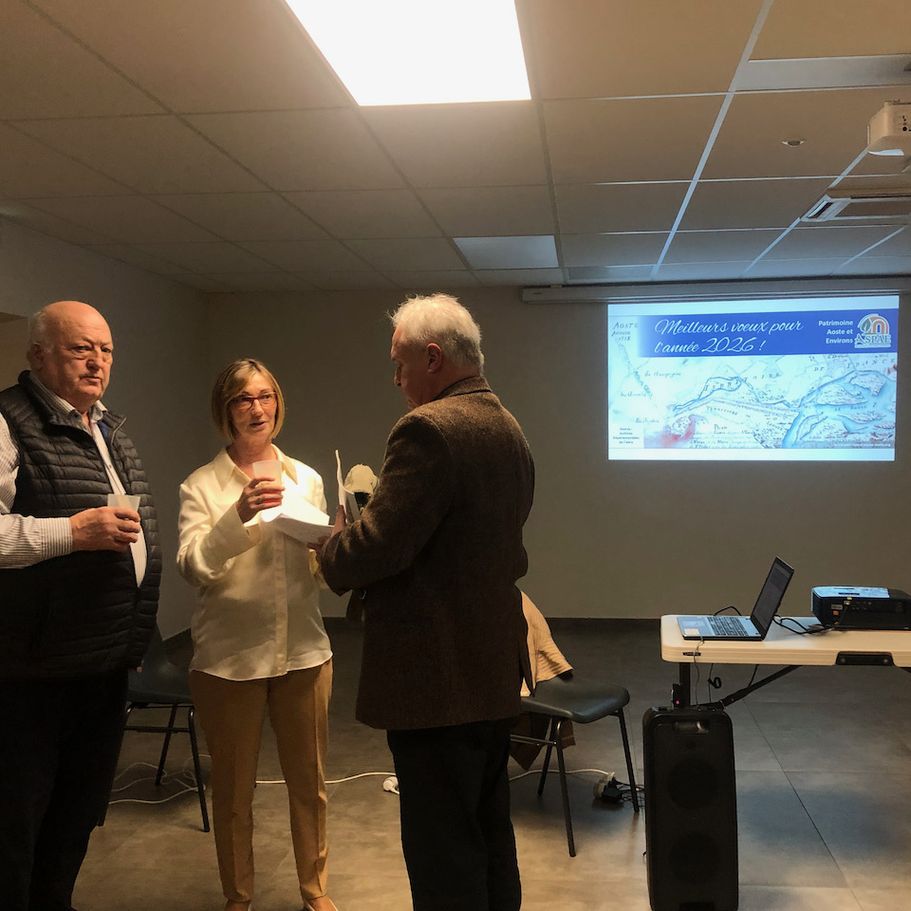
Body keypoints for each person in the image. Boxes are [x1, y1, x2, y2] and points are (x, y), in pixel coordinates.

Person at [316, 293, 534, 911]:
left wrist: (334, 542)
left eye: (400, 364)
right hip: (490, 669)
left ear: (433, 358)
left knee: (442, 853)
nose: (396, 379)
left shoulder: (427, 429)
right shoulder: (508, 426)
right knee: (488, 832)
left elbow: (375, 549)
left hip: (437, 681)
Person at [0, 300, 161, 911]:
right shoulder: (7, 422)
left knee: (76, 813)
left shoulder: (109, 429)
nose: (97, 361)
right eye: (80, 348)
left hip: (101, 663)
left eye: (106, 350)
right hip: (31, 670)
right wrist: (72, 532)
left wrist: (132, 636)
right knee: (18, 821)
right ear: (38, 355)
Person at [177, 358, 337, 911]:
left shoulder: (306, 479)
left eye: (265, 396)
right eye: (243, 399)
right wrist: (237, 517)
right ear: (226, 409)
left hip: (304, 653)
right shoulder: (201, 485)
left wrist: (333, 546)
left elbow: (318, 575)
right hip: (229, 660)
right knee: (233, 791)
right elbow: (193, 566)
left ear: (277, 403)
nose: (257, 408)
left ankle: (315, 890)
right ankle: (238, 897)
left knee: (310, 785)